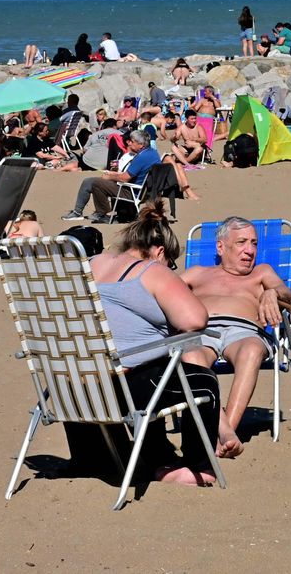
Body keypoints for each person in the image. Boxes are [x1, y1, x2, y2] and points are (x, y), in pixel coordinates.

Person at [90, 201, 225, 484]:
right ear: (159, 251)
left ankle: (101, 458)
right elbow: (194, 320)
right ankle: (197, 467)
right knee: (202, 382)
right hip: (123, 387)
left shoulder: (90, 264)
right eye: (171, 264)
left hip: (75, 384)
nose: (171, 269)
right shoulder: (150, 269)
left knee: (157, 370)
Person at [181, 216, 291, 457]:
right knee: (189, 354)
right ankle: (224, 433)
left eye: (254, 243)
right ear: (221, 247)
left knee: (252, 351)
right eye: (242, 242)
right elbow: (162, 292)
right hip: (202, 330)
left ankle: (226, 431)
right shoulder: (197, 273)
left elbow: (288, 294)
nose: (250, 250)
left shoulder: (261, 273)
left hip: (245, 332)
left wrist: (272, 292)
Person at [62, 130, 161, 222]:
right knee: (88, 181)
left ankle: (100, 213)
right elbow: (131, 174)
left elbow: (125, 178)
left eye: (132, 141)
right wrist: (114, 173)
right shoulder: (153, 153)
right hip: (141, 190)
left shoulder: (141, 157)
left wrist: (109, 177)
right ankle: (79, 212)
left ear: (141, 145)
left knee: (96, 183)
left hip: (131, 191)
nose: (129, 143)